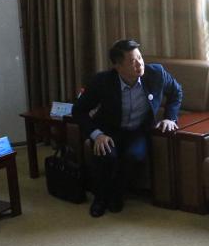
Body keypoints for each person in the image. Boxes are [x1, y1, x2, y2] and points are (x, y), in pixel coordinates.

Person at [73, 39, 182, 218]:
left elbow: (176, 92)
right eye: (132, 61)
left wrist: (170, 117)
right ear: (118, 66)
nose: (139, 64)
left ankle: (117, 194)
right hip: (108, 131)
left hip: (137, 131)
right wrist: (96, 134)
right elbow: (78, 110)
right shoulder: (102, 81)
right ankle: (100, 198)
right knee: (106, 154)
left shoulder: (156, 74)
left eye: (140, 58)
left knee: (135, 156)